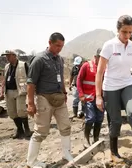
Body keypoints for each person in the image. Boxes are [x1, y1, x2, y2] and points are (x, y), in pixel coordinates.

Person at [95, 15, 132, 166]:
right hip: (111, 87)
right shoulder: (109, 46)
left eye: (130, 32)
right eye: (124, 32)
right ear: (118, 30)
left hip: (127, 84)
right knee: (115, 121)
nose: (127, 35)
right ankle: (114, 152)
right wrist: (98, 96)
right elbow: (100, 72)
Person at [26, 32, 75, 167]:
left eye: (61, 46)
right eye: (57, 45)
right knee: (41, 131)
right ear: (49, 43)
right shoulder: (39, 60)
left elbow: (60, 77)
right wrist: (30, 103)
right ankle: (31, 161)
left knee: (65, 127)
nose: (59, 48)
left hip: (59, 98)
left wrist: (64, 93)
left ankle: (66, 153)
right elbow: (30, 83)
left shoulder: (59, 59)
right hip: (44, 98)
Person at [0, 50, 32, 139]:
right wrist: (1, 91)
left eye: (8, 56)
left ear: (14, 56)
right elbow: (4, 80)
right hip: (9, 91)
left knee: (21, 110)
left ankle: (27, 129)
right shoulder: (7, 67)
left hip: (20, 91)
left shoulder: (23, 65)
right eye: (6, 56)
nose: (7, 58)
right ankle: (19, 130)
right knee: (12, 112)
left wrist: (31, 91)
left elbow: (30, 78)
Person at [77, 48, 104, 148]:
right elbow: (79, 80)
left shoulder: (104, 68)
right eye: (100, 58)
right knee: (90, 118)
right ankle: (86, 138)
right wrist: (81, 94)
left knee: (99, 119)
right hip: (88, 98)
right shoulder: (87, 65)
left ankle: (96, 138)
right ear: (96, 57)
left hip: (100, 98)